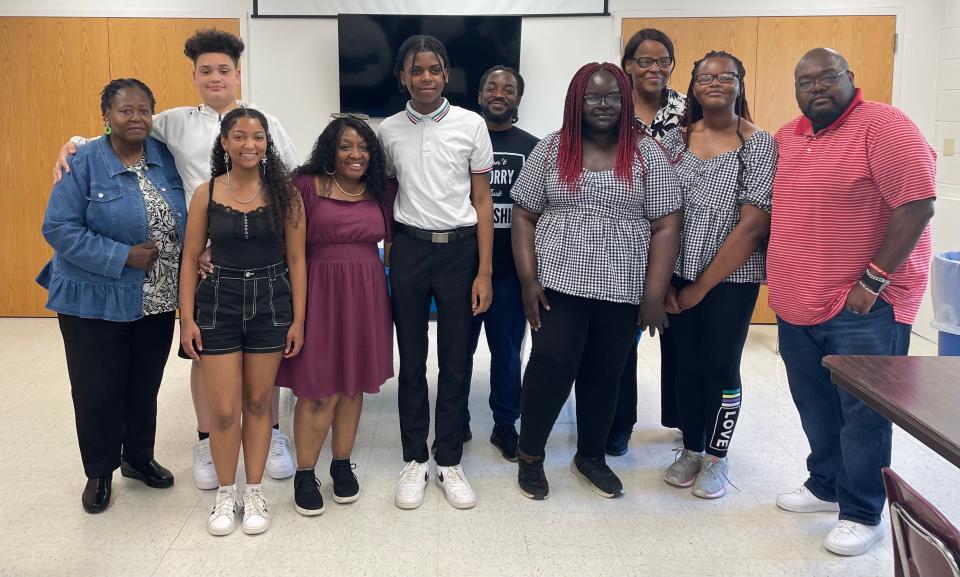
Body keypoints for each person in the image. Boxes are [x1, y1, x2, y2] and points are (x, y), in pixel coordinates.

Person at [52, 28, 298, 490]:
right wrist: (72, 144)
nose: (215, 77)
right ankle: (207, 440)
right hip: (201, 258)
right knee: (205, 354)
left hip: (255, 254)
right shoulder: (174, 121)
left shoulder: (266, 122)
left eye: (223, 70)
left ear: (238, 74)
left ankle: (274, 433)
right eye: (206, 70)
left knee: (264, 350)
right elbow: (122, 132)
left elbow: (290, 180)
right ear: (195, 75)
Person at [768, 48, 935, 556]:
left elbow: (917, 204)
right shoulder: (788, 136)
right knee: (814, 402)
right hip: (798, 299)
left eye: (827, 77)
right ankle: (825, 484)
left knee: (862, 411)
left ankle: (863, 510)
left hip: (864, 305)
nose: (815, 88)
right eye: (804, 81)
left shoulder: (883, 126)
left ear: (851, 77)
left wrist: (874, 281)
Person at [511, 63, 682, 501]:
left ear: (626, 101)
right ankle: (530, 454)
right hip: (559, 283)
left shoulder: (647, 154)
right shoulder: (553, 149)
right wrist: (529, 281)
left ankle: (590, 455)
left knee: (606, 373)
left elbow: (666, 225)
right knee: (551, 364)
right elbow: (525, 214)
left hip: (621, 288)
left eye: (612, 97)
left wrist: (654, 295)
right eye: (592, 97)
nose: (603, 105)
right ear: (576, 102)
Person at [39, 78, 186, 514]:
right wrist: (121, 256)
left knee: (144, 384)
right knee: (98, 388)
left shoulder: (164, 157)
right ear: (106, 115)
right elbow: (59, 228)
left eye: (144, 110)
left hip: (156, 297)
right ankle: (99, 471)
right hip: (94, 297)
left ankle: (138, 459)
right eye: (125, 111)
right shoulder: (82, 161)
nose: (136, 118)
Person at [376, 35, 494, 510]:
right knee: (411, 359)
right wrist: (387, 251)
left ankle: (449, 459)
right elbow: (386, 195)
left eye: (434, 69)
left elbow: (482, 200)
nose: (425, 78)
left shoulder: (471, 124)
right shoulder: (387, 130)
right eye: (416, 70)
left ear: (446, 75)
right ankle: (414, 459)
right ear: (403, 76)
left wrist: (484, 271)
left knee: (456, 360)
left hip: (460, 252)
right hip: (409, 248)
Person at [179, 108, 306, 536]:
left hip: (272, 302)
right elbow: (189, 259)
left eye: (258, 137)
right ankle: (225, 492)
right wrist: (186, 319)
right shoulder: (206, 192)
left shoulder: (286, 194)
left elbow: (297, 260)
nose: (249, 144)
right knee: (225, 410)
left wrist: (298, 321)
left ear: (268, 145)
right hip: (218, 303)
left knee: (258, 404)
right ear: (224, 143)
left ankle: (254, 491)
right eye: (239, 136)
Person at [658, 51, 776, 499]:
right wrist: (668, 281)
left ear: (740, 84)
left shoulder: (758, 143)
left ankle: (716, 456)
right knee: (683, 364)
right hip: (676, 275)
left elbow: (753, 224)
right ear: (692, 86)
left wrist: (700, 288)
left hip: (730, 280)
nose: (714, 83)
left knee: (720, 366)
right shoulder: (674, 140)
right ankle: (690, 447)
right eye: (705, 76)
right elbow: (657, 208)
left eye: (726, 76)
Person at [275, 116, 394, 515]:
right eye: (346, 146)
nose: (355, 154)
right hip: (319, 291)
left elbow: (391, 247)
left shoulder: (380, 190)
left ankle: (341, 463)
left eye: (363, 147)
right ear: (331, 148)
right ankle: (305, 472)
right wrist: (297, 315)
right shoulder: (305, 186)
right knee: (317, 388)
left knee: (352, 385)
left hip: (367, 292)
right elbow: (292, 253)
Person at [608, 28, 688, 455]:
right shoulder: (610, 107)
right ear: (628, 66)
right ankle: (619, 423)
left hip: (681, 234)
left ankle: (683, 420)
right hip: (624, 240)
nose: (654, 68)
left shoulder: (687, 110)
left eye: (662, 61)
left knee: (679, 332)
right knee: (622, 339)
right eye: (644, 61)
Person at [459, 65, 539, 462]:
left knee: (507, 354)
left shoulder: (535, 147)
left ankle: (505, 424)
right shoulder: (460, 140)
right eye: (491, 85)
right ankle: (455, 419)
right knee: (459, 352)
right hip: (459, 267)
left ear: (518, 99)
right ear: (478, 95)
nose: (500, 92)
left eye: (509, 88)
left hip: (511, 272)